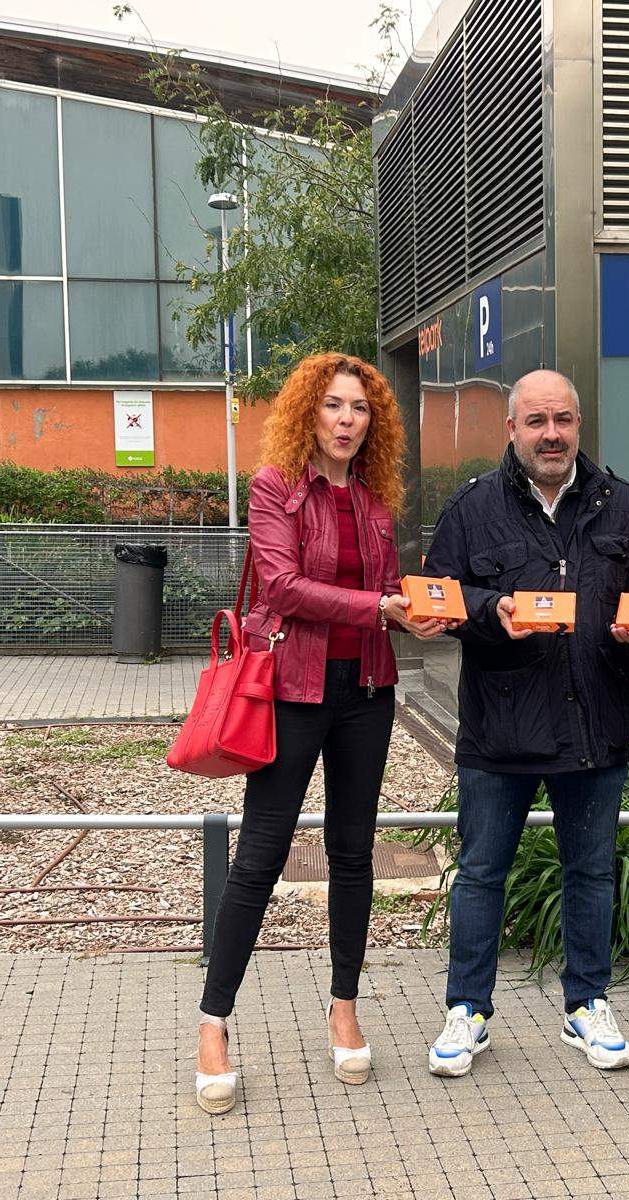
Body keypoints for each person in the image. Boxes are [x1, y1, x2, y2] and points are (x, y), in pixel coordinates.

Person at [194, 353, 455, 1115]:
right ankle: (214, 1023)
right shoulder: (276, 488)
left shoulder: (373, 502)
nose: (347, 420)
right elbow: (279, 587)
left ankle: (344, 1006)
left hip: (366, 693)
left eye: (360, 409)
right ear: (309, 412)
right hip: (291, 690)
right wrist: (381, 610)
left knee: (352, 852)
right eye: (334, 406)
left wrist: (422, 615)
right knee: (261, 856)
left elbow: (384, 596)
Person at [420, 368, 629, 1076]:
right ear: (512, 429)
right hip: (499, 731)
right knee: (480, 875)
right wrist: (484, 610)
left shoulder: (620, 503)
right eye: (536, 421)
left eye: (562, 419)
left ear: (578, 425)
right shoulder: (472, 507)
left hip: (594, 723)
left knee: (590, 873)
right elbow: (437, 593)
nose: (551, 433)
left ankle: (586, 1005)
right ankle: (467, 1010)